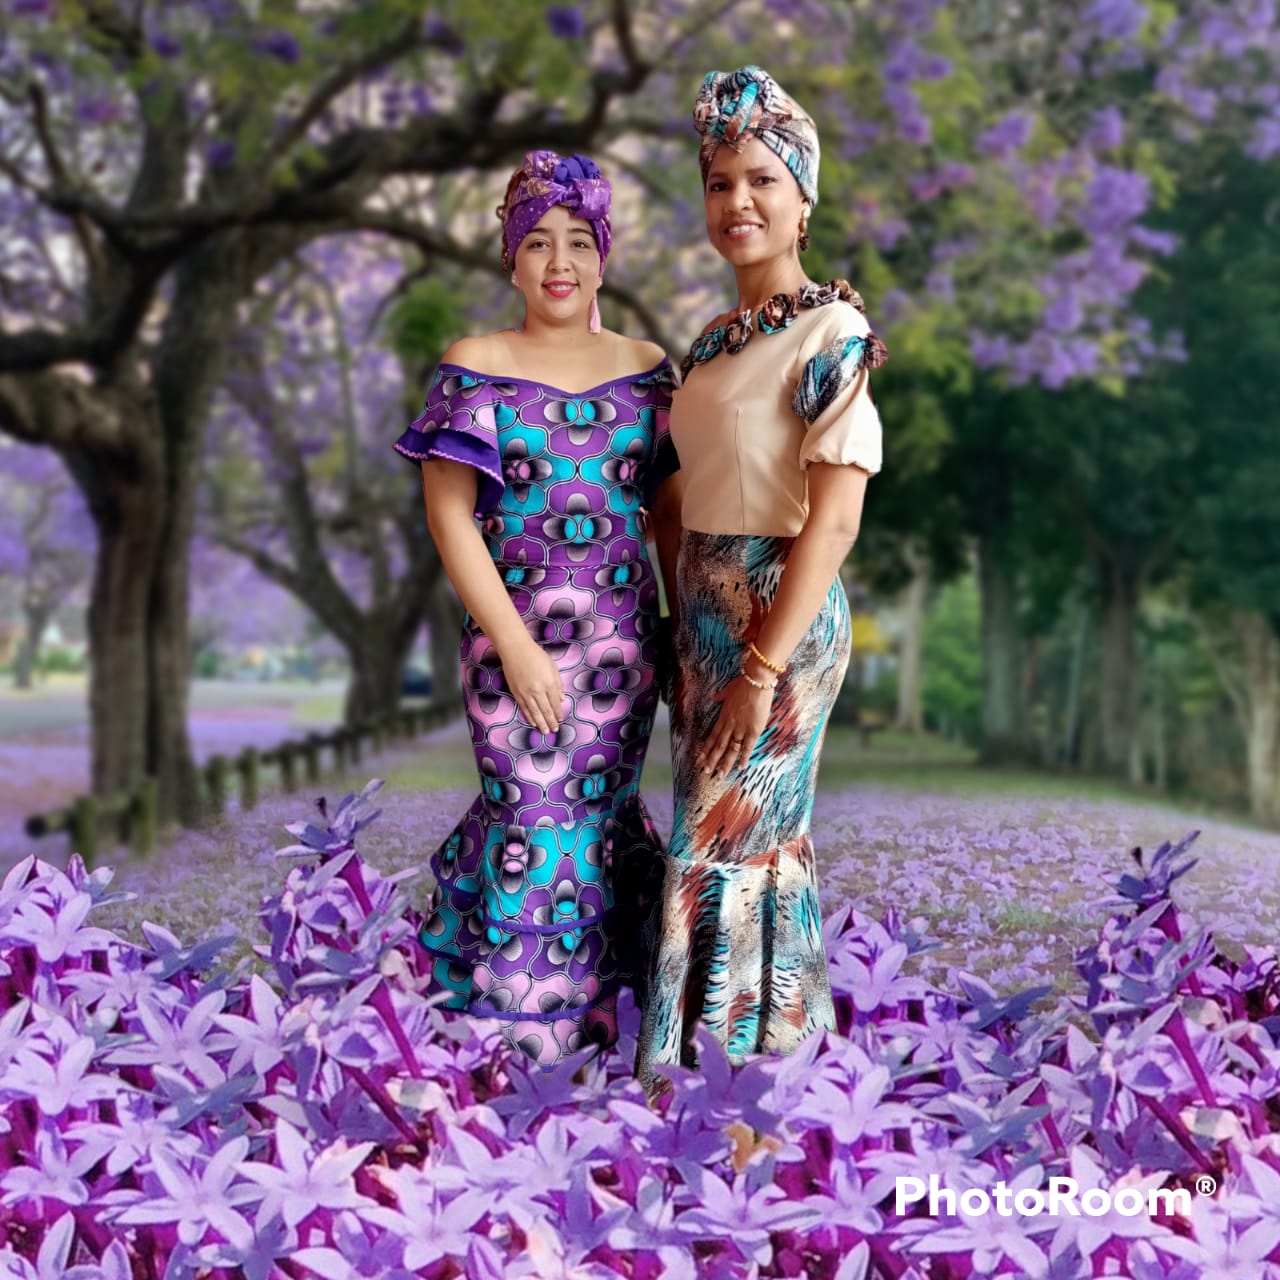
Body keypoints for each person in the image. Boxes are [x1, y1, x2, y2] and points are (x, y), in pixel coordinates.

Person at [636, 67, 888, 1095]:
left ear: (801, 196)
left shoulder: (830, 335)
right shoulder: (704, 350)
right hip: (701, 619)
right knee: (716, 828)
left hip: (775, 621)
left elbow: (833, 515)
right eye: (717, 183)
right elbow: (667, 498)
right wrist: (669, 618)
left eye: (759, 181)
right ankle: (728, 1070)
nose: (736, 202)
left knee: (731, 836)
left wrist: (754, 664)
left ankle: (731, 1084)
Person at [394, 150, 675, 1067]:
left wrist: (674, 637)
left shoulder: (645, 370)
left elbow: (666, 516)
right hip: (512, 640)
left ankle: (609, 1018)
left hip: (622, 649)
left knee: (599, 822)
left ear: (604, 256)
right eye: (539, 243)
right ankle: (520, 1046)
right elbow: (448, 516)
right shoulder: (476, 365)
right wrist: (512, 645)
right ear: (511, 260)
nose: (560, 262)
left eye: (579, 243)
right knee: (530, 817)